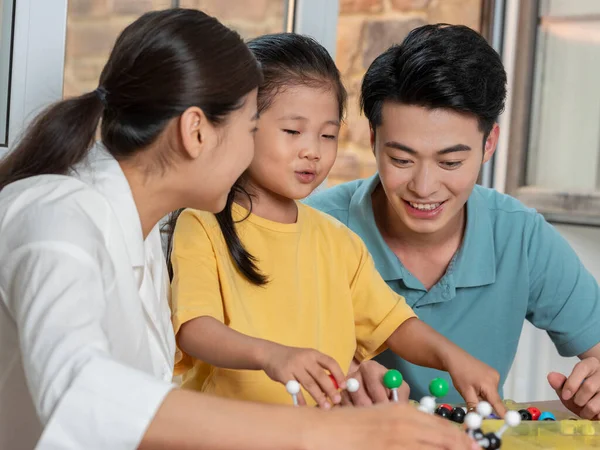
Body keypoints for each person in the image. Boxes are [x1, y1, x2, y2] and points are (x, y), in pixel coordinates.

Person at [0, 9, 479, 450]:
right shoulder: (57, 218)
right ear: (196, 132)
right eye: (254, 127)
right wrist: (322, 431)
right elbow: (81, 393)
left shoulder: (140, 237)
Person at [168, 32, 505, 418]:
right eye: (293, 131)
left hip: (320, 435)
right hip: (228, 433)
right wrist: (271, 356)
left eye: (327, 135)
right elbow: (193, 329)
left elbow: (394, 324)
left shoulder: (336, 240)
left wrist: (453, 358)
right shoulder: (202, 224)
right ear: (241, 124)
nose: (313, 150)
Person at [305, 23, 600, 419]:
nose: (424, 187)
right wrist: (337, 373)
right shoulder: (315, 230)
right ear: (373, 140)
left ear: (489, 144)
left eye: (451, 162)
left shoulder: (520, 236)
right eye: (401, 160)